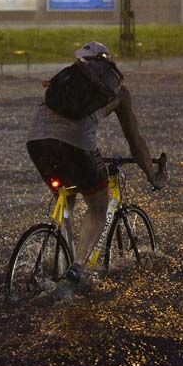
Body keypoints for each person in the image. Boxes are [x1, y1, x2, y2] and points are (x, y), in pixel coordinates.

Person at [26, 42, 167, 284]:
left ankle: (59, 257)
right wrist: (152, 175)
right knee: (99, 206)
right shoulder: (117, 91)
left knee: (66, 190)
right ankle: (78, 267)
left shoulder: (64, 79)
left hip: (37, 141)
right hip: (77, 144)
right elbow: (135, 142)